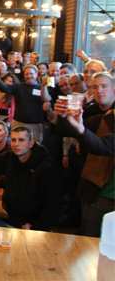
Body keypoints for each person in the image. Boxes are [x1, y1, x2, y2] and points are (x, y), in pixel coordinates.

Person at [0, 126, 60, 267]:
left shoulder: (46, 167)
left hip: (30, 225)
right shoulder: (11, 157)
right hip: (9, 219)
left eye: (21, 140)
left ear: (31, 143)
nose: (16, 144)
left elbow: (53, 205)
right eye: (14, 140)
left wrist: (36, 226)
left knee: (17, 255)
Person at [54, 72, 115, 236]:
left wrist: (80, 129)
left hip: (106, 187)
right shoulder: (92, 111)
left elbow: (104, 146)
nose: (100, 90)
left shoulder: (108, 115)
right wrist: (62, 115)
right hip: (96, 185)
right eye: (95, 87)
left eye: (104, 86)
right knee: (90, 237)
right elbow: (66, 130)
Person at [0, 64, 50, 142]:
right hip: (18, 123)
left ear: (36, 74)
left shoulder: (42, 87)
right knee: (17, 146)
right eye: (26, 74)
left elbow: (47, 100)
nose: (29, 76)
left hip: (35, 125)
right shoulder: (18, 87)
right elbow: (5, 89)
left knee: (35, 147)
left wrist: (44, 86)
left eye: (31, 73)